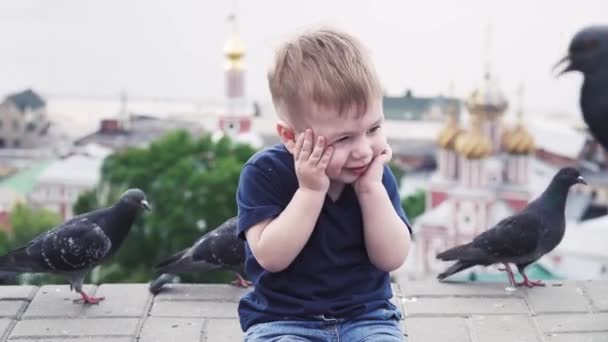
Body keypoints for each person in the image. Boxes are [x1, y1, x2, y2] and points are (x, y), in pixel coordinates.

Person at [236, 27, 412, 341]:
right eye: (343, 138)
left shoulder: (376, 176)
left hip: (368, 318)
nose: (363, 149)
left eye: (373, 129)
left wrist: (371, 191)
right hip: (284, 320)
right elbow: (271, 257)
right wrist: (311, 191)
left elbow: (392, 257)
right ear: (291, 137)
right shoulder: (264, 173)